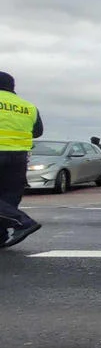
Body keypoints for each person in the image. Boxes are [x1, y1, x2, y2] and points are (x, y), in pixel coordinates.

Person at [0, 71, 44, 248]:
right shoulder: (28, 107)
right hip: (18, 158)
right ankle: (0, 236)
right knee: (8, 197)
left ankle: (23, 222)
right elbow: (38, 132)